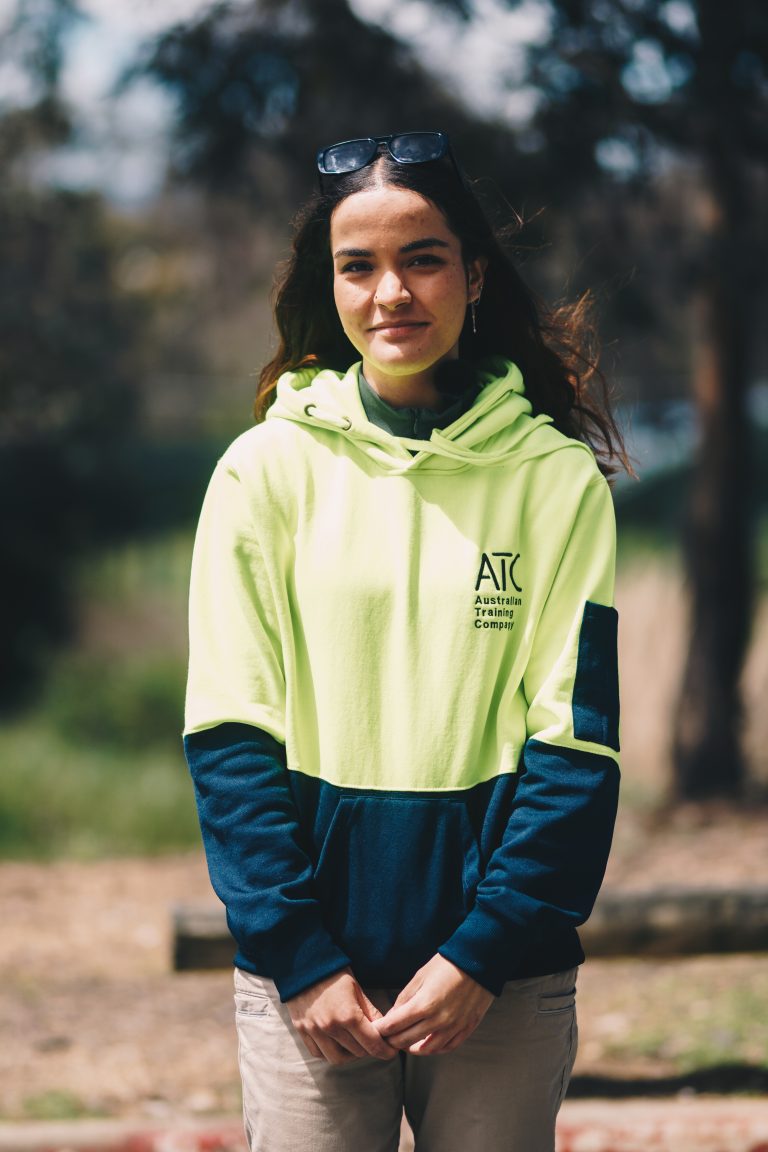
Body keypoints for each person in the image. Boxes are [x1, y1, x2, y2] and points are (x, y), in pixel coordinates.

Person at [183, 131, 627, 1152]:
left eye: (423, 259)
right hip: (311, 986)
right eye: (360, 266)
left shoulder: (553, 481)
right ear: (330, 287)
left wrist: (483, 952)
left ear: (474, 275)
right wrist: (299, 956)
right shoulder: (262, 473)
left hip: (500, 981)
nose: (392, 292)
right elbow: (230, 739)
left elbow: (577, 745)